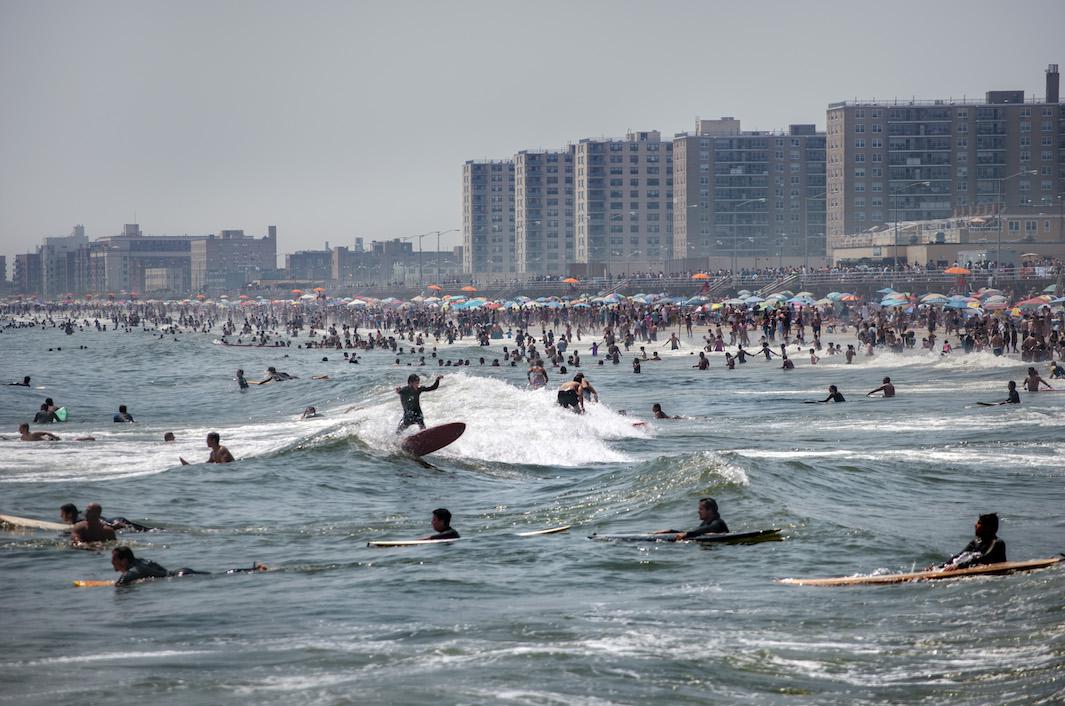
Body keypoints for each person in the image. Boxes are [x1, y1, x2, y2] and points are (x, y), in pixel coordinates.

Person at [110, 546, 266, 586]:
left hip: (180, 577)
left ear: (124, 560)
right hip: (180, 572)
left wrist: (117, 585)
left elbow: (122, 583)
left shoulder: (132, 571)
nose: (112, 562)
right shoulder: (141, 561)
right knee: (218, 574)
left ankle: (253, 570)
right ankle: (252, 569)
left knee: (218, 575)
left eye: (114, 559)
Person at [939, 513, 1006, 570]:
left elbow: (984, 558)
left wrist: (959, 566)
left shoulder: (997, 543)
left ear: (988, 528)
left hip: (996, 573)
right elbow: (959, 555)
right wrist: (941, 566)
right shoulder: (975, 542)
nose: (975, 525)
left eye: (979, 523)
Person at [656, 498, 730, 540]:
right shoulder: (706, 522)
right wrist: (671, 531)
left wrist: (687, 534)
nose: (698, 512)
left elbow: (707, 529)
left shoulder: (718, 522)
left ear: (709, 510)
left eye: (701, 509)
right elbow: (697, 531)